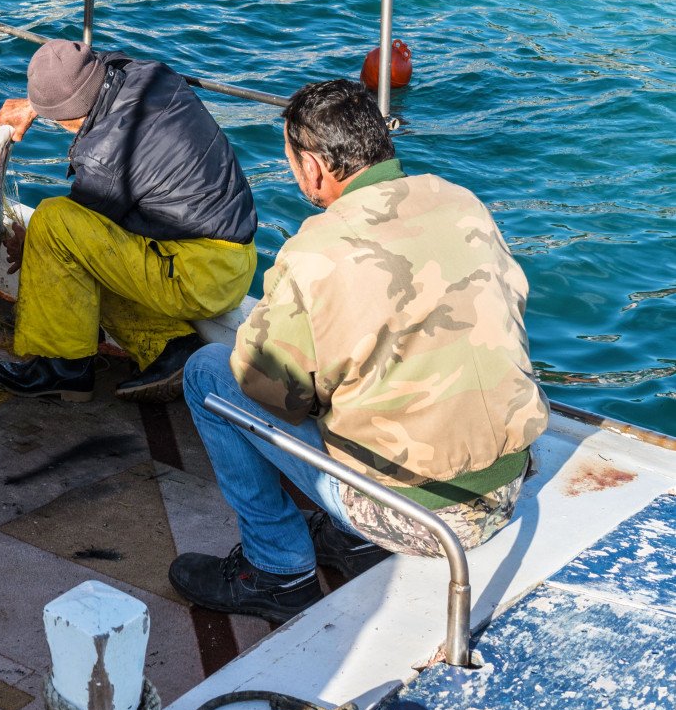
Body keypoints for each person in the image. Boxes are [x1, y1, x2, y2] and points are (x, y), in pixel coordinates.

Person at [168, 79, 549, 623]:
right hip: (509, 483)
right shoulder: (462, 202)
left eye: (292, 163)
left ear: (315, 168)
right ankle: (350, 542)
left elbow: (267, 391)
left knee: (209, 374)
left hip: (422, 517)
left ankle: (278, 570)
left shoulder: (317, 250)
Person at [0, 39, 258, 403]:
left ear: (65, 118)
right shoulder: (149, 74)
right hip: (236, 257)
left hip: (198, 275)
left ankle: (63, 371)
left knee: (52, 223)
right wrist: (36, 105)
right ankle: (169, 348)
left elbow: (71, 238)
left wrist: (29, 245)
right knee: (84, 242)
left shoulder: (105, 155)